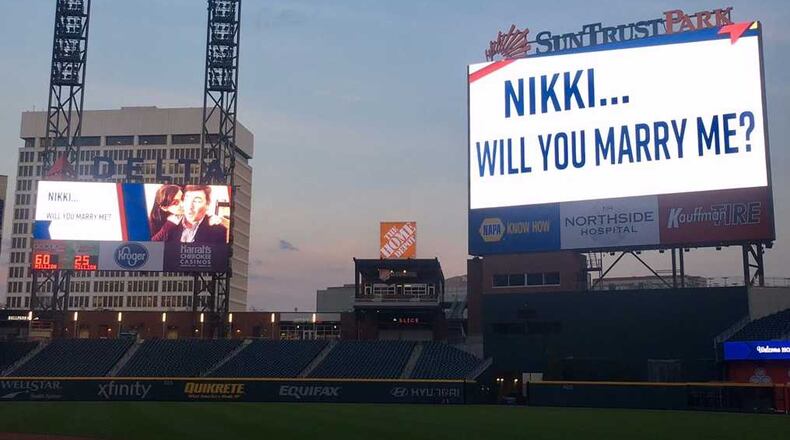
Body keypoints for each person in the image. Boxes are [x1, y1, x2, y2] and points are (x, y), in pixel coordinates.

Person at [155, 185, 228, 243]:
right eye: (175, 203)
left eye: (182, 199)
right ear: (164, 208)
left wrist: (215, 218)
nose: (183, 204)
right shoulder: (165, 225)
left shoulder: (217, 230)